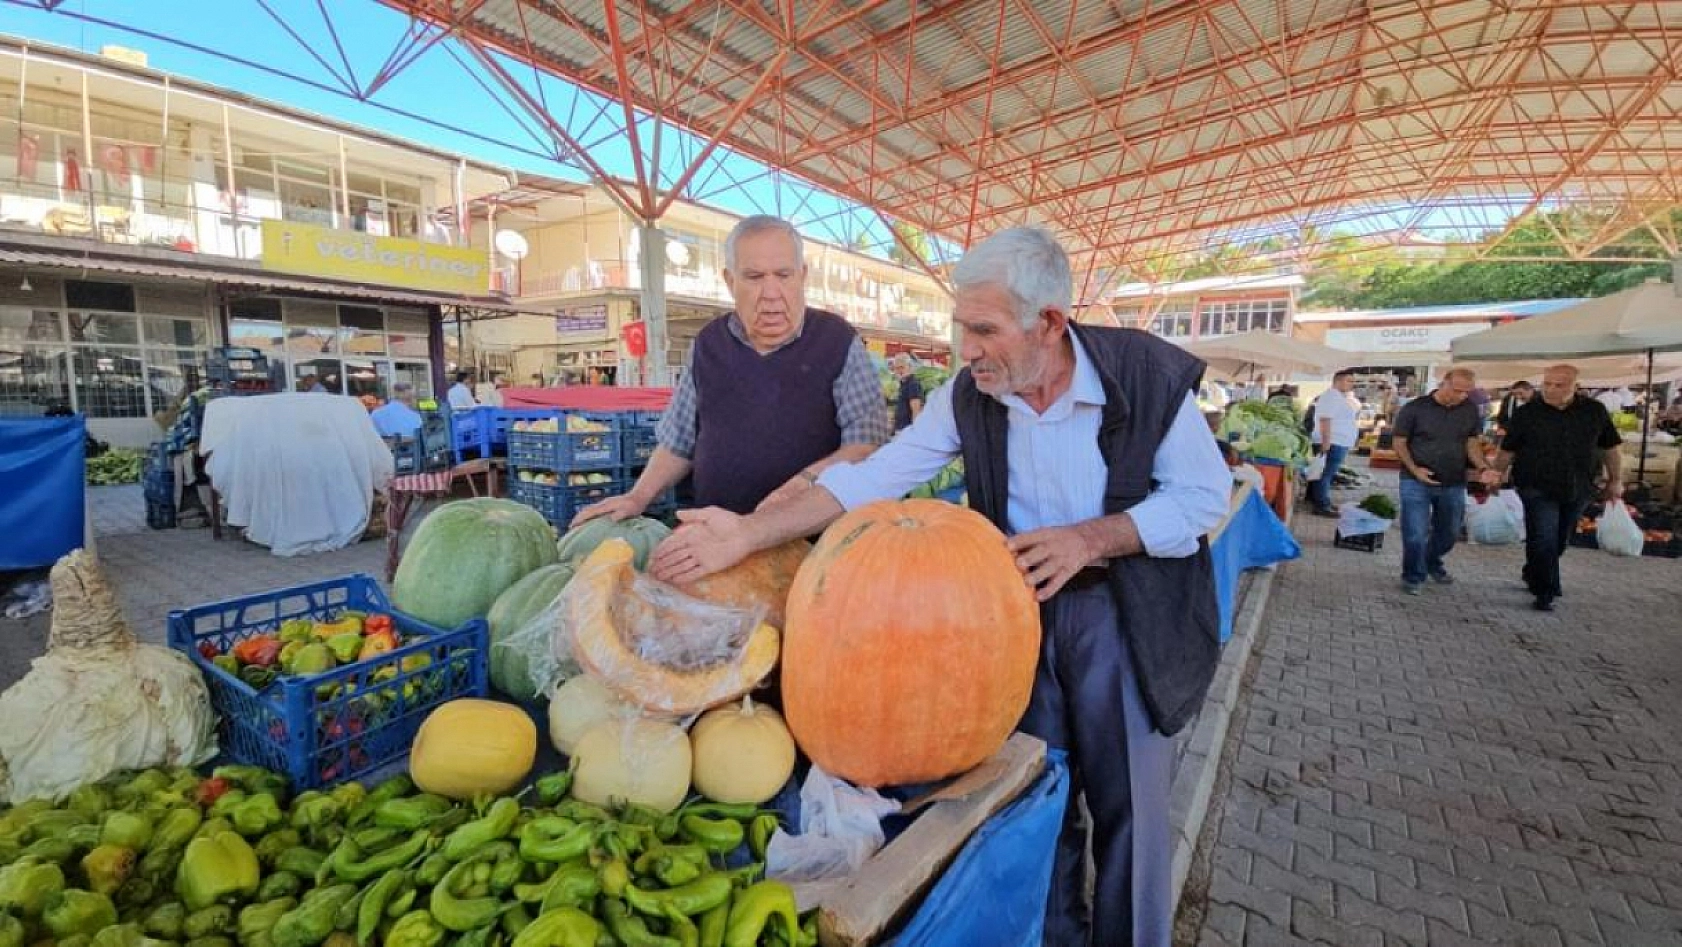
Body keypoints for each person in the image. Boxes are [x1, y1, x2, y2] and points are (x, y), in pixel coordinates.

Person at [648, 227, 1230, 947]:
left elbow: (1203, 498)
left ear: (1048, 323)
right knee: (1034, 804)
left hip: (1123, 617)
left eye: (983, 330)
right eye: (962, 327)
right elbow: (870, 480)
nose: (967, 348)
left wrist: (1091, 537)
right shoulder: (970, 396)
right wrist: (745, 533)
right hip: (1013, 620)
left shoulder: (1142, 375)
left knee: (1132, 813)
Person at [572, 215, 890, 522]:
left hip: (813, 542)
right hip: (715, 538)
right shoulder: (708, 344)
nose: (771, 293)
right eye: (754, 277)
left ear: (802, 276)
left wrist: (805, 481)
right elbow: (677, 444)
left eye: (784, 275)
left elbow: (866, 444)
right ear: (729, 280)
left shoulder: (837, 340)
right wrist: (637, 497)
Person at [1491, 365, 1622, 612]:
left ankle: (1534, 571)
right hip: (1535, 484)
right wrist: (1497, 474)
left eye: (1559, 385)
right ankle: (1545, 591)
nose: (1551, 389)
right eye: (1547, 383)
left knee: (1560, 538)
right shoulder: (1527, 413)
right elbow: (1508, 449)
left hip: (1580, 485)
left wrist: (1615, 479)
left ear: (1576, 386)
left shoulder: (1594, 411)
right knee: (1543, 536)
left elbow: (1610, 448)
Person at [1390, 369, 1500, 594]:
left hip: (1453, 481)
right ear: (1444, 384)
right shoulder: (1415, 408)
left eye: (1466, 392)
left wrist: (1482, 467)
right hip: (1415, 481)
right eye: (1457, 390)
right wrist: (1414, 468)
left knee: (1449, 532)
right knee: (1414, 532)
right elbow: (1399, 442)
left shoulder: (1469, 410)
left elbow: (1471, 443)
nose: (1461, 396)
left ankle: (1431, 561)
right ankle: (1413, 576)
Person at [1309, 370, 1360, 517]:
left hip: (1337, 441)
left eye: (1352, 381)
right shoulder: (1331, 396)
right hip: (1333, 441)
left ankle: (1322, 501)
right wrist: (1326, 442)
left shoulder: (1338, 397)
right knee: (1325, 474)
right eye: (1349, 380)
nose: (1352, 384)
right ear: (1338, 381)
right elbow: (1325, 419)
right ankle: (1321, 505)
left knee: (1325, 474)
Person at [889, 353, 924, 431]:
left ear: (909, 367)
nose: (899, 371)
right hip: (901, 429)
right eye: (896, 368)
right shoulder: (903, 383)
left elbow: (916, 410)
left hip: (906, 430)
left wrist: (915, 431)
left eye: (902, 367)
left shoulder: (913, 384)